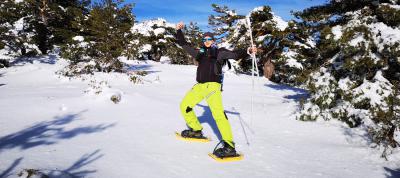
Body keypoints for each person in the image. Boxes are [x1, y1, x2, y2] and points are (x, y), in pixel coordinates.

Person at [175, 22, 257, 158]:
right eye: (205, 39)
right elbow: (184, 45)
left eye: (209, 39)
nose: (206, 41)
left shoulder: (220, 53)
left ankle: (229, 146)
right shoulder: (199, 53)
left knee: (218, 114)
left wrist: (248, 50)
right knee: (185, 106)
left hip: (213, 86)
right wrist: (179, 31)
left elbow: (235, 55)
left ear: (213, 41)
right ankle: (196, 130)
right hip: (199, 86)